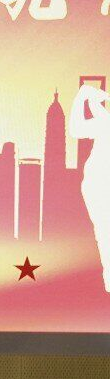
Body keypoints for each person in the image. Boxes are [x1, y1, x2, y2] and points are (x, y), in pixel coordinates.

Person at [70, 82, 110, 292]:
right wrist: (83, 98)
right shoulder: (106, 124)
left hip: (98, 183)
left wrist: (89, 99)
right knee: (105, 231)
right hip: (100, 184)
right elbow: (75, 129)